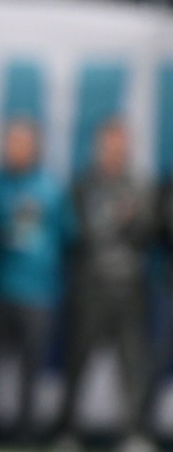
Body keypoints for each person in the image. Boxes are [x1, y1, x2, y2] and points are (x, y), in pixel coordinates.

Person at [56, 119, 156, 452]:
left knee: (132, 361)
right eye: (109, 143)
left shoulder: (140, 186)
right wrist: (111, 224)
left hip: (129, 288)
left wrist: (131, 221)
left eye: (121, 144)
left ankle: (133, 431)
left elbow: (147, 231)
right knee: (77, 359)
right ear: (98, 146)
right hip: (89, 286)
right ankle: (68, 429)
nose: (115, 150)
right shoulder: (83, 185)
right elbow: (76, 232)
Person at [0, 118, 76, 443]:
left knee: (31, 368)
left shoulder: (52, 188)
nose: (16, 149)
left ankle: (26, 432)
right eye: (11, 141)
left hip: (38, 292)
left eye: (23, 142)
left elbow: (69, 234)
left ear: (36, 146)